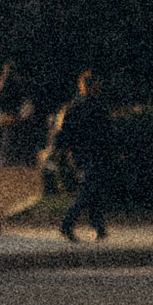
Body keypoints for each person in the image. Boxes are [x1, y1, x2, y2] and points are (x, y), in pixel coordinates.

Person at [49, 65, 116, 245]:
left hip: (78, 154)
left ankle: (99, 227)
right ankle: (67, 224)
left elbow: (62, 132)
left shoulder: (71, 107)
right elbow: (108, 133)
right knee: (88, 191)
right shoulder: (99, 106)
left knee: (92, 189)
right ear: (93, 86)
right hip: (96, 153)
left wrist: (60, 151)